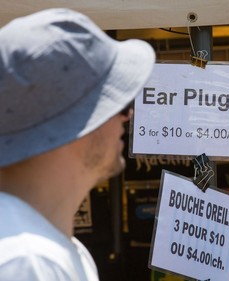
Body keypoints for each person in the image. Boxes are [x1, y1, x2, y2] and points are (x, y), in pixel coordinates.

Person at [0, 8, 155, 281]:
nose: (127, 115)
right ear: (72, 124)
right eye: (114, 102)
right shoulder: (26, 261)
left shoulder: (55, 248)